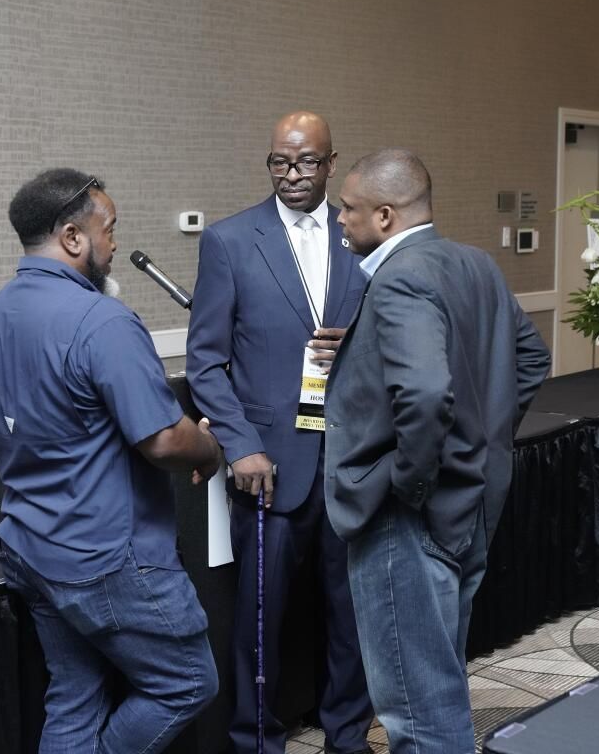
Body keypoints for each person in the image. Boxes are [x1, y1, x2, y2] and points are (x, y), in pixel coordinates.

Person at [0, 168, 221, 754]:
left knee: (75, 696)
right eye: (108, 229)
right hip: (105, 557)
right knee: (187, 683)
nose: (113, 242)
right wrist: (209, 448)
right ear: (73, 237)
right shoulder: (102, 320)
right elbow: (164, 440)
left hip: (31, 545)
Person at [324, 148, 551, 754]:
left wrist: (411, 480)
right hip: (471, 504)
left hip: (409, 519)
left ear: (385, 215)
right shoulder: (475, 263)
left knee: (419, 713)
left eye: (347, 208)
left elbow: (425, 394)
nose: (339, 218)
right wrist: (481, 440)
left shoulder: (399, 276)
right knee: (438, 681)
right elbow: (531, 360)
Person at [186, 112, 374, 754]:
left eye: (307, 162)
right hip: (268, 466)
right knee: (259, 621)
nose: (292, 174)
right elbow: (205, 362)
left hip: (350, 459)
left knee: (350, 615)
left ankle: (347, 736)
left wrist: (357, 346)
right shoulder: (230, 241)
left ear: (331, 163)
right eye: (279, 162)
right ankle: (256, 740)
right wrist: (240, 445)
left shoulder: (360, 237)